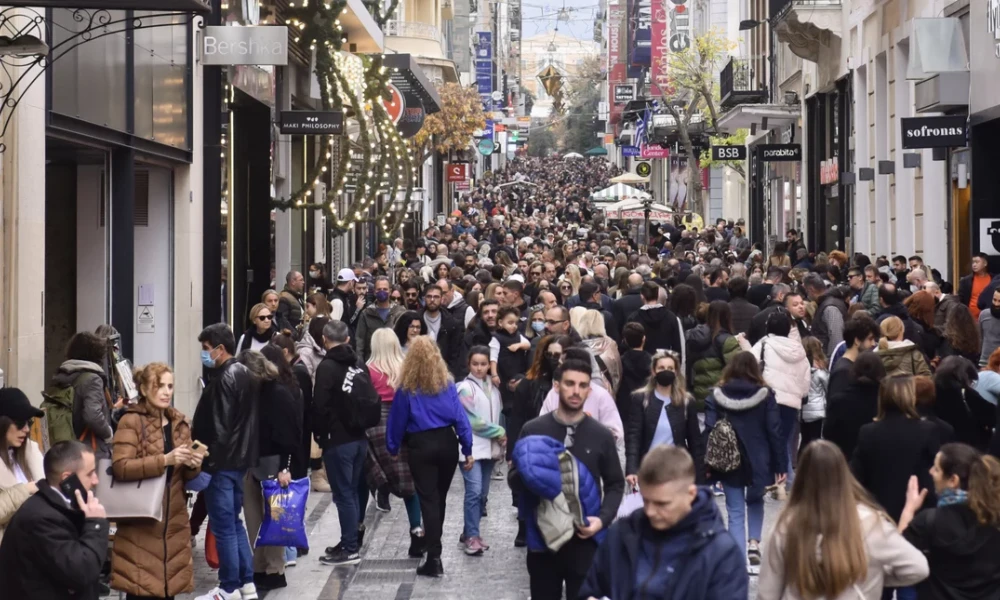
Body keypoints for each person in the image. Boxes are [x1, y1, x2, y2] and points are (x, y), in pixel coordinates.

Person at [509, 357, 625, 600]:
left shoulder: (600, 434)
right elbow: (514, 479)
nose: (576, 391)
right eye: (570, 383)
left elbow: (615, 483)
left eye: (582, 385)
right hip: (543, 541)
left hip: (584, 541)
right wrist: (531, 475)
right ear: (557, 385)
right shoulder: (534, 429)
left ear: (589, 390)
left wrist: (602, 520)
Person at [757, 441, 929, 600]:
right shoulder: (870, 523)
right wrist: (873, 577)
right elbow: (918, 567)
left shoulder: (787, 524)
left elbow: (767, 593)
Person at [581, 446, 748, 599]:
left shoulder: (721, 555)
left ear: (690, 494)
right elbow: (590, 589)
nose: (650, 512)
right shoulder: (621, 534)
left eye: (662, 504)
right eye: (646, 501)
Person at [110, 363, 204, 600]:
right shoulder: (131, 421)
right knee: (142, 590)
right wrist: (164, 460)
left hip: (173, 521)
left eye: (170, 386)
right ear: (143, 388)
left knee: (167, 591)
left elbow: (186, 477)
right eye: (158, 385)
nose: (166, 392)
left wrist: (194, 463)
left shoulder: (179, 423)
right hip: (142, 521)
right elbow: (120, 467)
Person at [386, 336, 474, 577]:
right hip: (447, 442)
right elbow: (460, 418)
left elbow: (396, 422)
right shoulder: (446, 385)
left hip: (421, 445)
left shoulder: (407, 389)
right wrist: (467, 449)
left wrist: (392, 449)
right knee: (439, 498)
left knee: (428, 499)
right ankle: (434, 550)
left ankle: (433, 556)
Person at [192, 323, 260, 600]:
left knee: (224, 527)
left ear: (220, 349)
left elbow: (219, 429)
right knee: (234, 523)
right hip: (239, 461)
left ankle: (229, 586)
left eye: (206, 349)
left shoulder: (222, 380)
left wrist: (207, 467)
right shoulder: (245, 374)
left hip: (222, 464)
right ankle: (246, 583)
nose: (204, 354)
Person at [705, 352, 786, 567]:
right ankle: (754, 543)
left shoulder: (717, 394)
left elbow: (710, 428)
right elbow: (774, 430)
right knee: (756, 500)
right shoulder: (766, 395)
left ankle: (737, 561)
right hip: (760, 458)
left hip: (728, 459)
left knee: (735, 510)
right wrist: (781, 464)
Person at [0, 440, 110, 599]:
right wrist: (96, 524)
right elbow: (81, 571)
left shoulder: (59, 505)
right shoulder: (40, 519)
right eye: (90, 473)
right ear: (67, 479)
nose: (95, 480)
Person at [899, 443, 1000, 600]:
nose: (931, 471)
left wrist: (908, 510)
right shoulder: (994, 517)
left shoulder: (929, 521)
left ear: (953, 480)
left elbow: (898, 556)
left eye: (937, 469)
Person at [314, 320, 375, 567]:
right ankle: (348, 540)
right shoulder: (359, 364)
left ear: (324, 340)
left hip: (338, 441)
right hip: (360, 437)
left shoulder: (327, 367)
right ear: (348, 339)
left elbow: (319, 405)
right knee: (350, 492)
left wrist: (319, 436)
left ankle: (350, 548)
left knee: (344, 495)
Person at [363, 329, 424, 555]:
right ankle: (417, 529)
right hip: (404, 422)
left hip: (376, 424)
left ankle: (357, 530)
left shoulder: (368, 371)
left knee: (368, 475)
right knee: (409, 482)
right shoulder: (406, 368)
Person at [246, 347, 303, 589]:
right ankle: (259, 567)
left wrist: (285, 467)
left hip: (272, 462)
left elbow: (290, 434)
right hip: (251, 461)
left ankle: (274, 568)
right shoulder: (249, 393)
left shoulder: (279, 393)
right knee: (254, 519)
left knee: (273, 519)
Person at [851, 375, 940, 527]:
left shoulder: (867, 432)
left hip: (879, 513)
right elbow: (932, 475)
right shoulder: (927, 430)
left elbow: (857, 476)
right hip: (916, 513)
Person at [744, 309, 810, 480]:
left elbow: (749, 367)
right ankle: (785, 479)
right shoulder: (799, 349)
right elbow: (805, 379)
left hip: (768, 399)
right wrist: (800, 394)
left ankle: (768, 479)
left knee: (766, 439)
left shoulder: (764, 344)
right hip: (791, 403)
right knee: (784, 442)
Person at [456, 346, 506, 556]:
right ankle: (472, 536)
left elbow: (500, 413)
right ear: (468, 364)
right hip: (470, 449)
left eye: (483, 364)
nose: (479, 368)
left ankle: (470, 530)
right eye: (475, 364)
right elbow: (472, 420)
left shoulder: (492, 388)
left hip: (489, 449)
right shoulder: (465, 388)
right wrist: (499, 431)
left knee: (482, 494)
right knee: (474, 492)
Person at [625, 350, 702, 485]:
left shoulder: (686, 401)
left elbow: (695, 441)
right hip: (650, 468)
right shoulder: (641, 399)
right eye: (661, 368)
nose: (665, 371)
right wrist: (631, 469)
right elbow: (634, 436)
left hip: (677, 470)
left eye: (670, 368)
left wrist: (699, 479)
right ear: (654, 371)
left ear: (676, 372)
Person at [49, 331, 114, 458]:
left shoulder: (62, 376)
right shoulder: (92, 379)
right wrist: (108, 434)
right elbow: (92, 415)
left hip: (66, 445)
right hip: (90, 450)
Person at [0, 388, 45, 544]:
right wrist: (26, 490)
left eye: (29, 422)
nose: (26, 429)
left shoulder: (31, 451)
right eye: (20, 423)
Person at [825, 352, 886, 461]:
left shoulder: (838, 402)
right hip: (878, 464)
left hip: (845, 463)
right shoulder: (885, 401)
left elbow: (828, 433)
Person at [687, 300, 741, 410]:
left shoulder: (691, 336)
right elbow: (739, 370)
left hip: (696, 397)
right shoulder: (727, 340)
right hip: (720, 398)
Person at [625, 281, 683, 358]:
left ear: (642, 296)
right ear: (657, 295)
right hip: (665, 363)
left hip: (642, 364)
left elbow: (629, 347)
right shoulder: (671, 317)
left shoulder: (634, 318)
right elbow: (677, 346)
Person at [356, 276, 407, 362]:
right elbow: (360, 341)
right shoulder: (366, 313)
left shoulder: (400, 312)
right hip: (373, 361)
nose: (382, 292)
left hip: (395, 361)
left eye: (385, 289)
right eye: (379, 289)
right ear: (374, 292)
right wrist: (360, 364)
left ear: (390, 291)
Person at [421, 284, 463, 375]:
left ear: (441, 299)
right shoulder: (416, 320)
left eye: (436, 297)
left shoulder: (452, 323)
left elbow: (454, 354)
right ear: (424, 298)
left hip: (443, 372)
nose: (432, 300)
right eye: (429, 296)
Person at [616, 323, 652, 428]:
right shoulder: (651, 361)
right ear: (644, 338)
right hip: (646, 404)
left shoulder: (621, 361)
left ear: (625, 340)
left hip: (625, 404)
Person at [802, 273, 848, 355]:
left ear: (811, 289)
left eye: (806, 291)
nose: (807, 294)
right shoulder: (824, 304)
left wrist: (832, 361)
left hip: (829, 358)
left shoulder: (830, 307)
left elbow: (836, 337)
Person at [800, 337, 828, 454]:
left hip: (803, 410)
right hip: (818, 411)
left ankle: (801, 462)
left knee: (805, 439)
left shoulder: (800, 369)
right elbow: (828, 388)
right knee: (816, 440)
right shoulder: (820, 372)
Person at [959, 252, 991, 320]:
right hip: (970, 318)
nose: (974, 265)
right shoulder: (966, 281)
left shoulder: (993, 279)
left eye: (977, 262)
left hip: (988, 317)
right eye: (973, 262)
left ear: (985, 263)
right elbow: (960, 299)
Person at [978, 289, 1000, 366]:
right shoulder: (984, 315)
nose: (996, 304)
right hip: (984, 361)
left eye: (999, 301)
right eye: (994, 300)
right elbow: (979, 338)